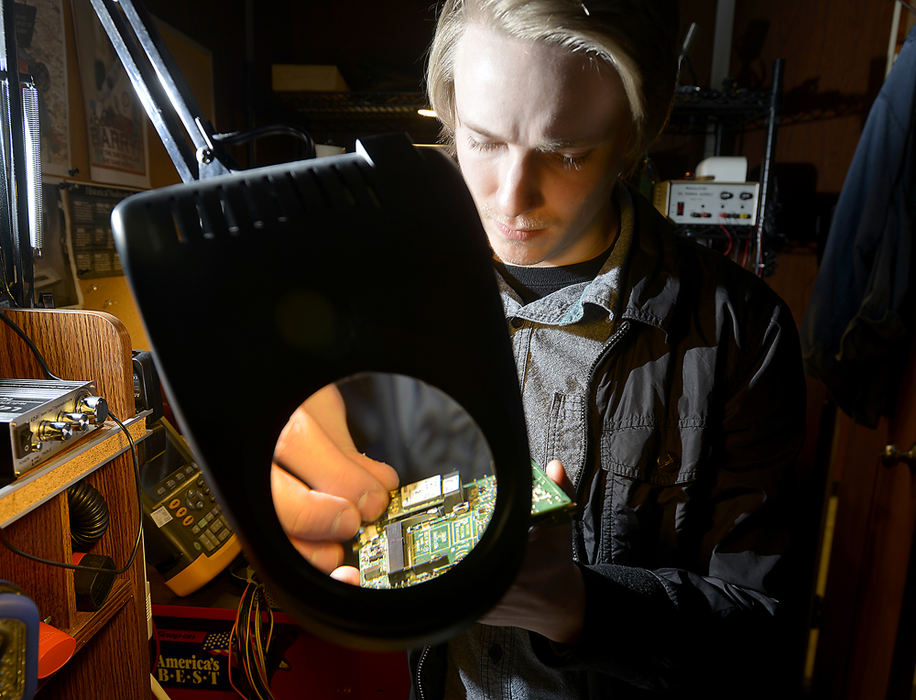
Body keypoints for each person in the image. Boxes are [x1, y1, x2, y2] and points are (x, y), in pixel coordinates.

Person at [271, 0, 807, 697]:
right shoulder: (382, 292)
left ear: (632, 138)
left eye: (566, 154)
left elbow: (761, 631)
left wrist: (577, 608)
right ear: (448, 113)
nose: (511, 198)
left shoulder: (740, 331)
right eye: (484, 141)